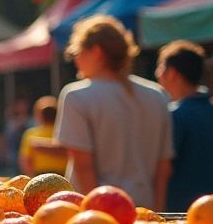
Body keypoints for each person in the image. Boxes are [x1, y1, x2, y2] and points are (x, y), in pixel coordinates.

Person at [55, 15, 172, 210]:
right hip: (144, 208)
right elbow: (163, 168)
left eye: (78, 52)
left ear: (97, 52)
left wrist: (96, 214)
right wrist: (158, 213)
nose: (76, 60)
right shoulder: (157, 95)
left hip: (97, 211)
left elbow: (83, 167)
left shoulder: (76, 96)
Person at [156, 41, 213, 211]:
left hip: (183, 210)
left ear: (172, 73)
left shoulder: (175, 114)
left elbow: (164, 168)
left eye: (160, 68)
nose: (157, 74)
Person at [19, 96, 68, 176]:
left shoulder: (31, 134)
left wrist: (32, 178)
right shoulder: (65, 132)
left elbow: (25, 161)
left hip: (40, 176)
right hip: (63, 175)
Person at [4, 99, 32, 167]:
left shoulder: (32, 121)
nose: (21, 107)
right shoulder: (11, 122)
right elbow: (8, 138)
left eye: (23, 105)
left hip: (28, 155)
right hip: (14, 155)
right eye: (19, 105)